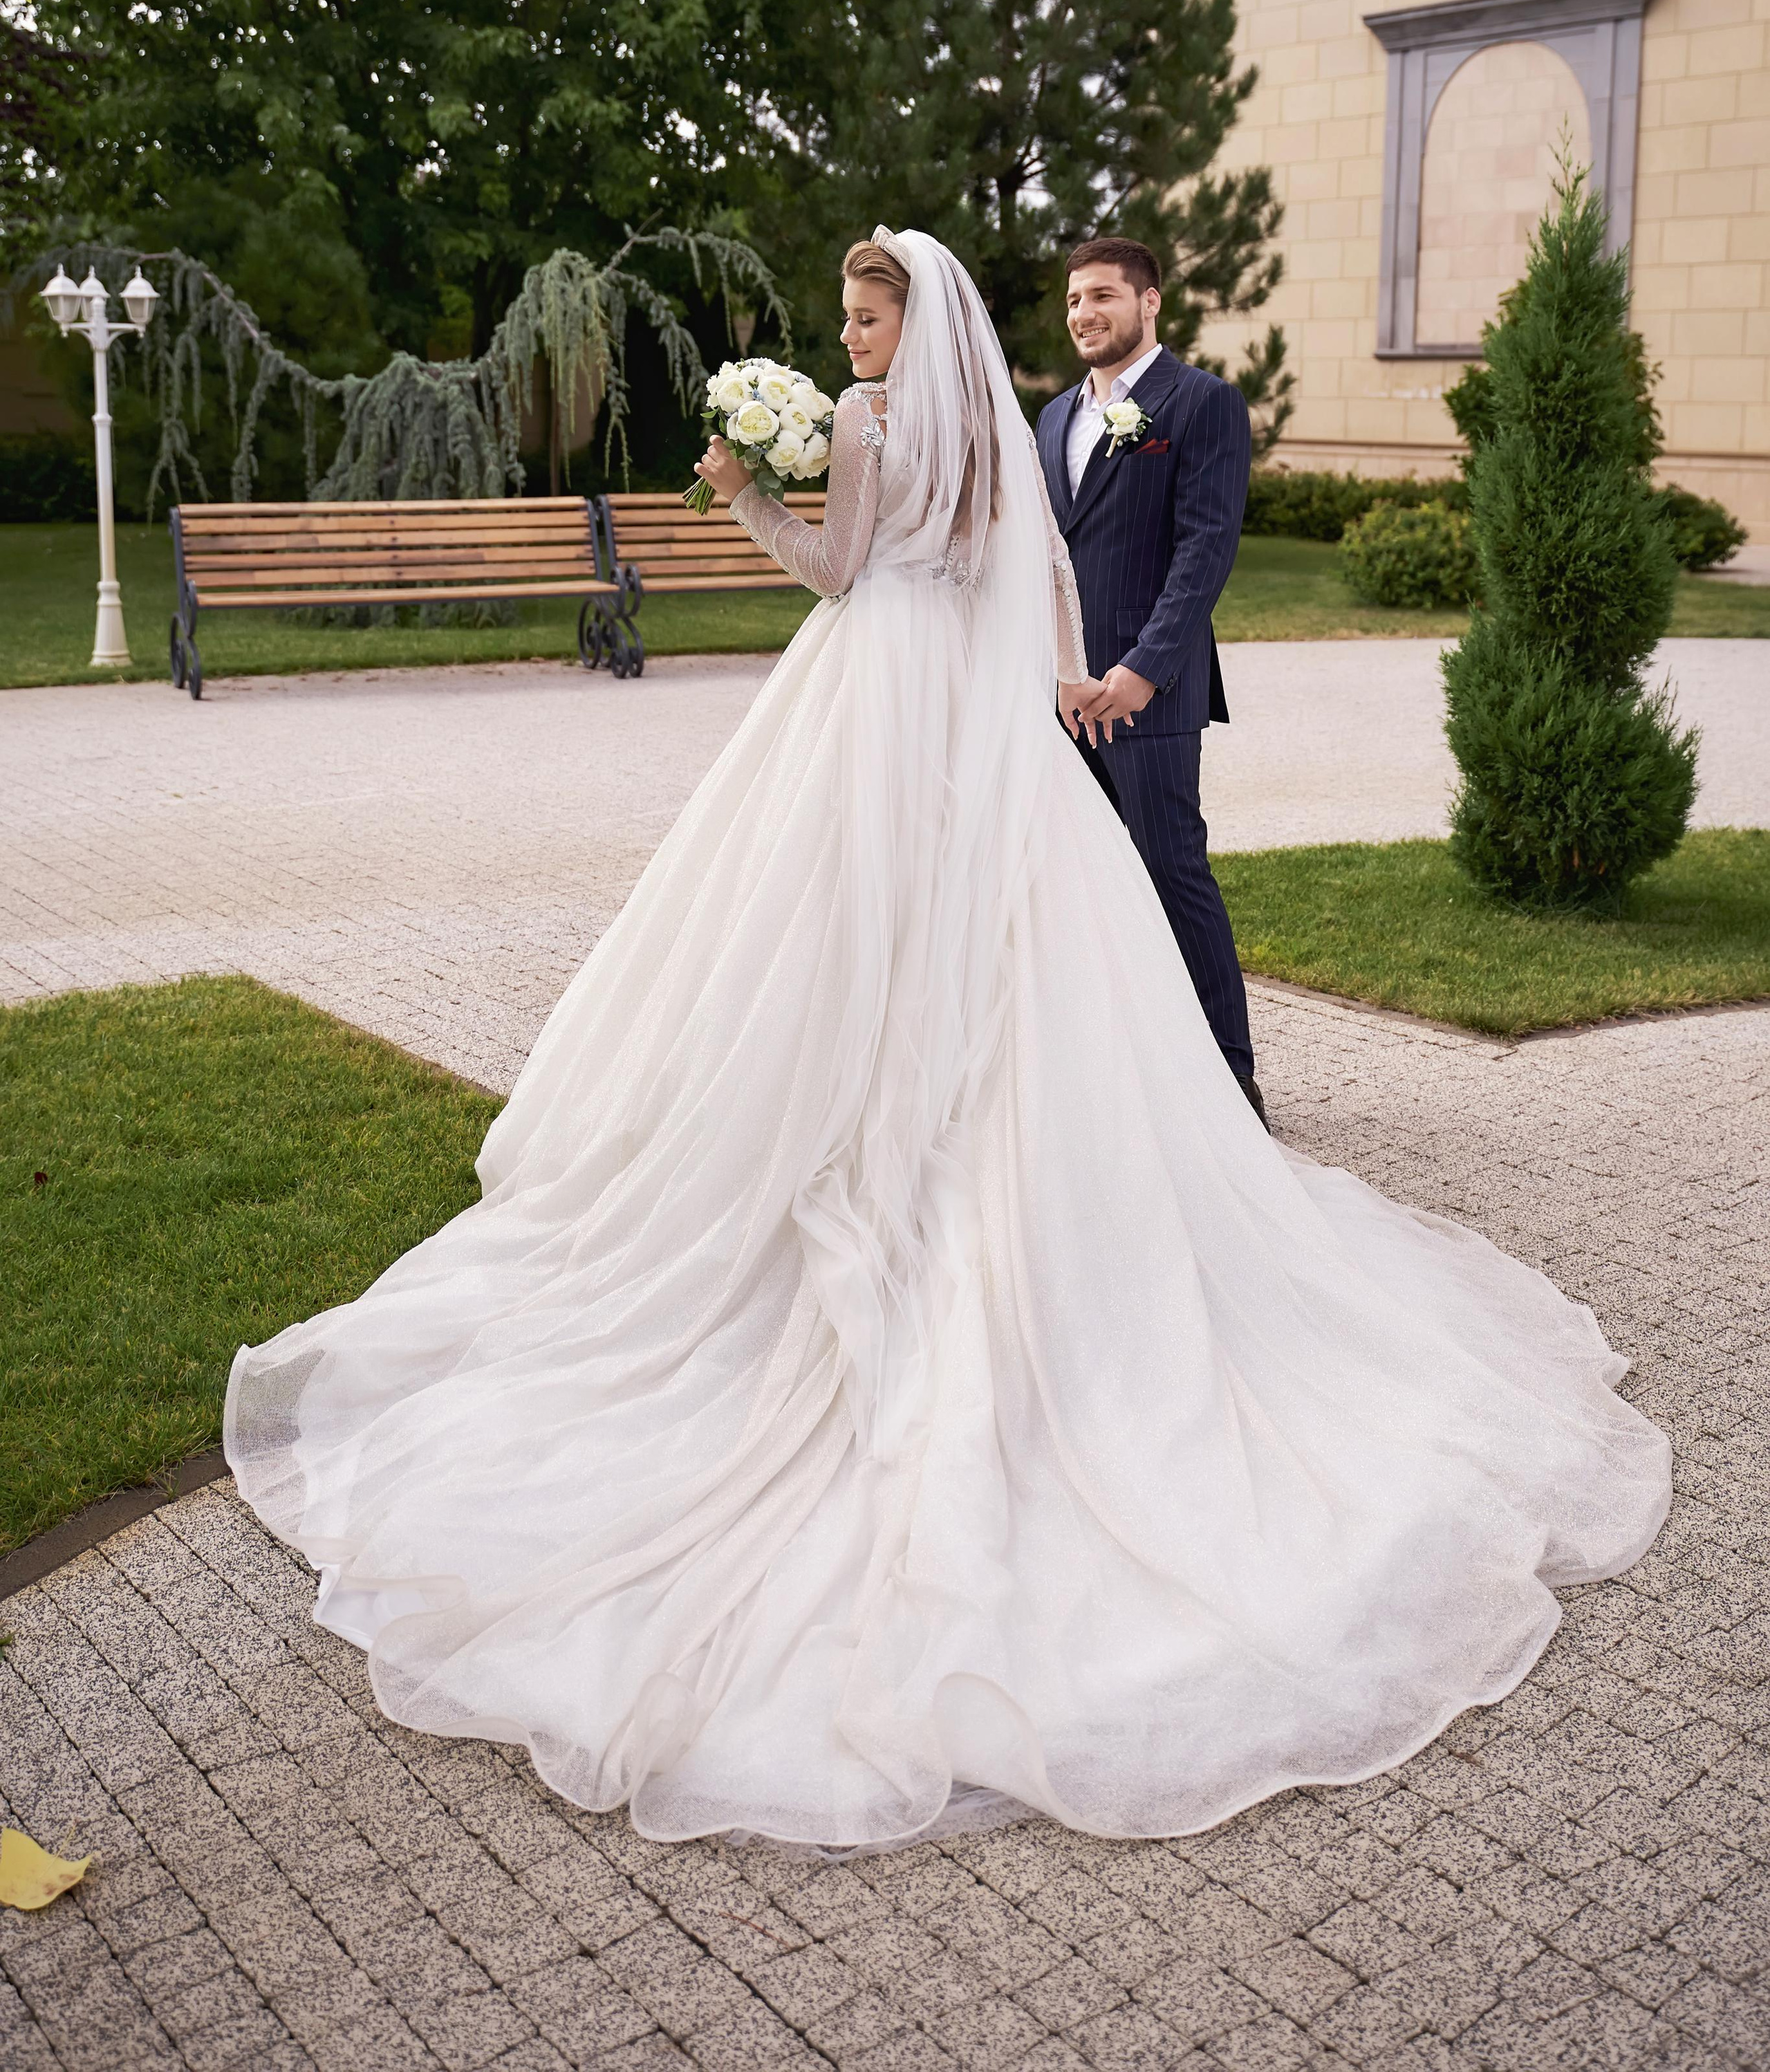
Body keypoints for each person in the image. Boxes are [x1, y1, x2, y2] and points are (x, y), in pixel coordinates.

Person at [226, 228, 1670, 1854]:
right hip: (975, 724)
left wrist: (737, 486)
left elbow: (839, 573)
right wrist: (1056, 673)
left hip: (869, 696)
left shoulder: (864, 428)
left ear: (916, 331)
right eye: (843, 318)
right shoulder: (993, 432)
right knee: (985, 946)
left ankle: (862, 1165)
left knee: (832, 938)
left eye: (864, 315)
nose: (848, 337)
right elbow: (1041, 566)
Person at [1036, 237, 1261, 1119]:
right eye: (1073, 300)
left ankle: (1231, 1079)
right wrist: (1054, 672)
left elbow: (1205, 553)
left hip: (1148, 698)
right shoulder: (1052, 419)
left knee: (1171, 870)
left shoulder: (1201, 405)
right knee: (1078, 884)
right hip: (1059, 699)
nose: (1084, 314)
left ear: (1149, 303)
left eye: (1102, 296)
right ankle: (1119, 1073)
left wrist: (1139, 674)